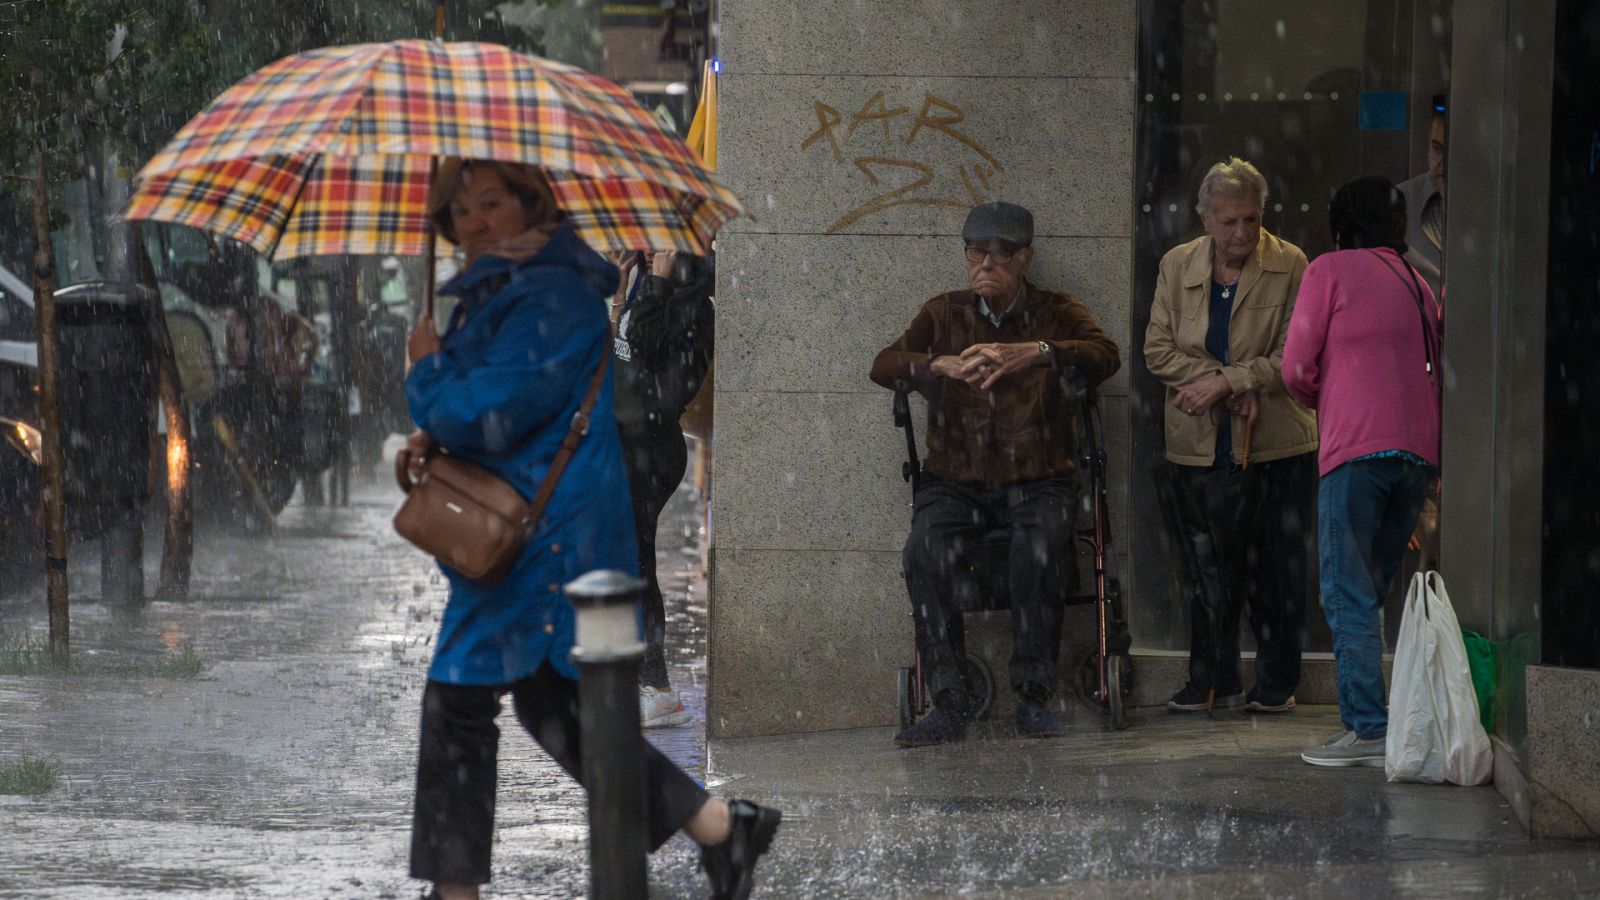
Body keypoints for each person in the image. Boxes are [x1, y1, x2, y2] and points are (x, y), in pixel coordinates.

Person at [399, 158, 778, 900]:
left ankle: (454, 893)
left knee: (458, 700)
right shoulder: (509, 284)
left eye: (490, 202)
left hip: (547, 534)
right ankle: (722, 829)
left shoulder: (549, 291)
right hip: (548, 520)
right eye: (460, 210)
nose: (474, 221)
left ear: (531, 202)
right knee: (560, 707)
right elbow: (504, 412)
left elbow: (494, 408)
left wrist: (426, 377)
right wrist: (439, 435)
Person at [869, 201, 1121, 747]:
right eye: (975, 254)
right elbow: (883, 364)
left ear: (1024, 259)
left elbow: (1105, 355)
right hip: (955, 481)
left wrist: (1036, 353)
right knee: (921, 552)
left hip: (1038, 478)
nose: (985, 266)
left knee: (1040, 544)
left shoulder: (1055, 311)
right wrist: (941, 364)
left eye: (999, 256)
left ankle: (1033, 694)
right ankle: (949, 699)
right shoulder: (943, 313)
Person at [1144, 157, 1318, 715]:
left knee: (1277, 569)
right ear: (1204, 219)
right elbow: (1157, 349)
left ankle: (1276, 684)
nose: (1242, 233)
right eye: (1229, 222)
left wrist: (1232, 379)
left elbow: (1294, 353)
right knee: (1206, 570)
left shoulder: (1291, 262)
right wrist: (1216, 387)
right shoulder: (1177, 265)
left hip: (1276, 441)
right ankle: (1212, 680)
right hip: (1198, 438)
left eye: (1251, 219)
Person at [1283, 177, 1441, 768]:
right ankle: (1383, 719)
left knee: (1346, 594)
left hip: (1354, 452)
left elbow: (1297, 365)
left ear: (1341, 224)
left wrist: (1329, 396)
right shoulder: (1418, 283)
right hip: (1415, 457)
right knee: (1371, 591)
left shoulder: (1331, 270)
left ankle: (1368, 728)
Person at [612, 247, 715, 728]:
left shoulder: (692, 297)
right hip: (622, 443)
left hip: (651, 447)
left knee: (635, 557)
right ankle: (632, 676)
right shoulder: (638, 285)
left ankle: (657, 686)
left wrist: (655, 283)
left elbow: (649, 358)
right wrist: (618, 295)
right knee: (620, 557)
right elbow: (615, 358)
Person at [1397, 101, 1447, 302]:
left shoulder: (1494, 205)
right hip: (1413, 326)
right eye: (1436, 148)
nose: (1441, 162)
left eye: (1452, 151)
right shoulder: (1398, 202)